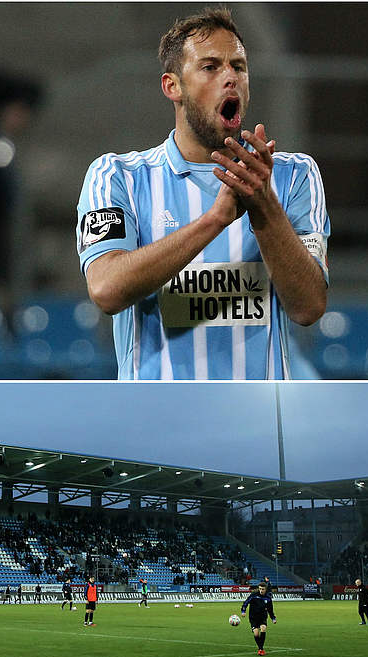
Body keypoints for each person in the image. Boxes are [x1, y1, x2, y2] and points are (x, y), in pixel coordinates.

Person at [76, 8, 328, 380]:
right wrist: (214, 220)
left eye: (238, 67)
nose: (230, 78)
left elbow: (308, 308)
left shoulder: (294, 175)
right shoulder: (117, 177)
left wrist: (264, 209)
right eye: (210, 67)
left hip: (257, 419)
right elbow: (106, 288)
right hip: (157, 415)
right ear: (172, 86)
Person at [240, 581, 276, 655]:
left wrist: (273, 618)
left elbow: (270, 609)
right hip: (253, 617)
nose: (261, 591)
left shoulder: (268, 598)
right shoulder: (253, 595)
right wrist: (243, 611)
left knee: (263, 628)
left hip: (262, 617)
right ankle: (260, 648)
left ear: (265, 589)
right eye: (260, 589)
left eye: (262, 589)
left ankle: (261, 649)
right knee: (256, 633)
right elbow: (245, 603)